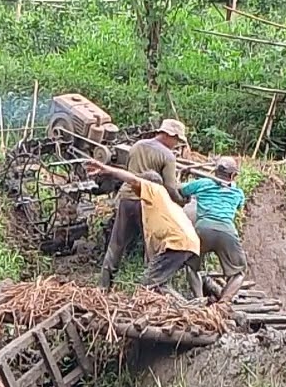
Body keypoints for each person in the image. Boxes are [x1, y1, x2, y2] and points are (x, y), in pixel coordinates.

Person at [85, 160, 202, 298]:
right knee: (158, 284)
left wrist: (107, 169)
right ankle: (192, 303)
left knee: (148, 285)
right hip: (187, 243)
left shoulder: (154, 190)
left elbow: (133, 179)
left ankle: (186, 306)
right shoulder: (159, 202)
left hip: (177, 244)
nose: (134, 188)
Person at [98, 119, 189, 290]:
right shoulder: (168, 156)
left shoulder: (137, 146)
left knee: (116, 243)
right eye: (176, 140)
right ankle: (151, 288)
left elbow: (130, 173)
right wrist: (181, 201)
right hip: (148, 202)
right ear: (169, 135)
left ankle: (104, 286)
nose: (176, 144)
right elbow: (170, 186)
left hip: (126, 198)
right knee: (151, 246)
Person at [180, 157, 247, 303]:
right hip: (227, 232)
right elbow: (239, 206)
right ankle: (223, 304)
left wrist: (184, 176)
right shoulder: (237, 192)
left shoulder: (202, 183)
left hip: (202, 229)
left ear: (215, 171)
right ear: (232, 175)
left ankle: (199, 300)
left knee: (191, 266)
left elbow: (181, 190)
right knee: (239, 272)